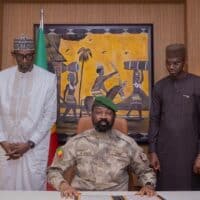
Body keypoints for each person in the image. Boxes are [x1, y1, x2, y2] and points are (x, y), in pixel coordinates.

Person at [47, 96, 156, 197]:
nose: (103, 116)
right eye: (99, 112)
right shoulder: (76, 142)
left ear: (114, 116)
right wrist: (63, 186)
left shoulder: (128, 144)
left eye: (108, 113)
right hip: (82, 195)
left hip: (115, 196)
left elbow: (146, 171)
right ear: (92, 115)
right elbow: (53, 170)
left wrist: (148, 185)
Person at [0, 35, 57, 190]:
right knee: (5, 189)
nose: (25, 60)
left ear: (34, 55)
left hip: (33, 149)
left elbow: (49, 116)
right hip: (5, 148)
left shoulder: (48, 79)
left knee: (32, 189)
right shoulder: (2, 78)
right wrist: (3, 142)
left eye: (29, 56)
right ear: (14, 55)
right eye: (21, 56)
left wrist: (29, 143)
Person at [148, 43, 200, 190]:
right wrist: (152, 151)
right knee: (165, 191)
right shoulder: (159, 87)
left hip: (191, 152)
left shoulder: (197, 84)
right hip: (165, 153)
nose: (171, 67)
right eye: (168, 63)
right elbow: (154, 120)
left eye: (176, 63)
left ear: (184, 62)